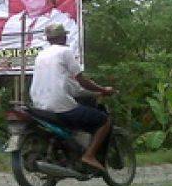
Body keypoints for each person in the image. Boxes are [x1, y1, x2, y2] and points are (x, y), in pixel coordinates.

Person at [30, 23, 115, 173]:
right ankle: (89, 155)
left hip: (39, 106)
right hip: (59, 107)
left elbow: (74, 88)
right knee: (104, 121)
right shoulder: (65, 52)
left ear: (49, 39)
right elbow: (82, 81)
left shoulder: (41, 55)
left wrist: (94, 93)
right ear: (63, 37)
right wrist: (102, 90)